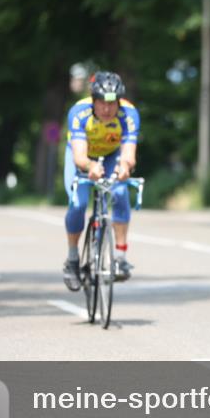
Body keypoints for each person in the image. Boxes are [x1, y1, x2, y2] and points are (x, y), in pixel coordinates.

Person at [62, 71, 139, 289]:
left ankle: (121, 259)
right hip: (83, 156)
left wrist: (124, 167)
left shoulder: (130, 114)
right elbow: (79, 156)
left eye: (112, 104)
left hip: (112, 154)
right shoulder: (78, 112)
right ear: (93, 101)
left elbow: (129, 153)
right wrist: (90, 166)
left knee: (120, 192)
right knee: (78, 204)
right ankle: (73, 259)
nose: (107, 109)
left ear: (119, 102)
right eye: (101, 104)